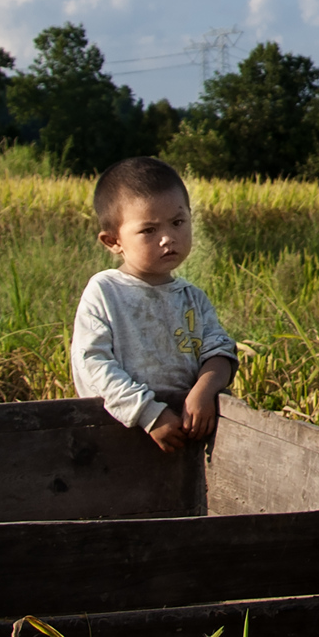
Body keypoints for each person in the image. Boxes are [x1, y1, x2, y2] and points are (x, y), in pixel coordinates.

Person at [72, 156, 238, 454]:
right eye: (149, 230)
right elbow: (92, 364)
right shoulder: (106, 291)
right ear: (113, 241)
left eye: (177, 223)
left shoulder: (192, 298)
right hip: (117, 435)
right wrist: (148, 412)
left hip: (185, 433)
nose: (167, 238)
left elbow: (220, 351)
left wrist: (205, 390)